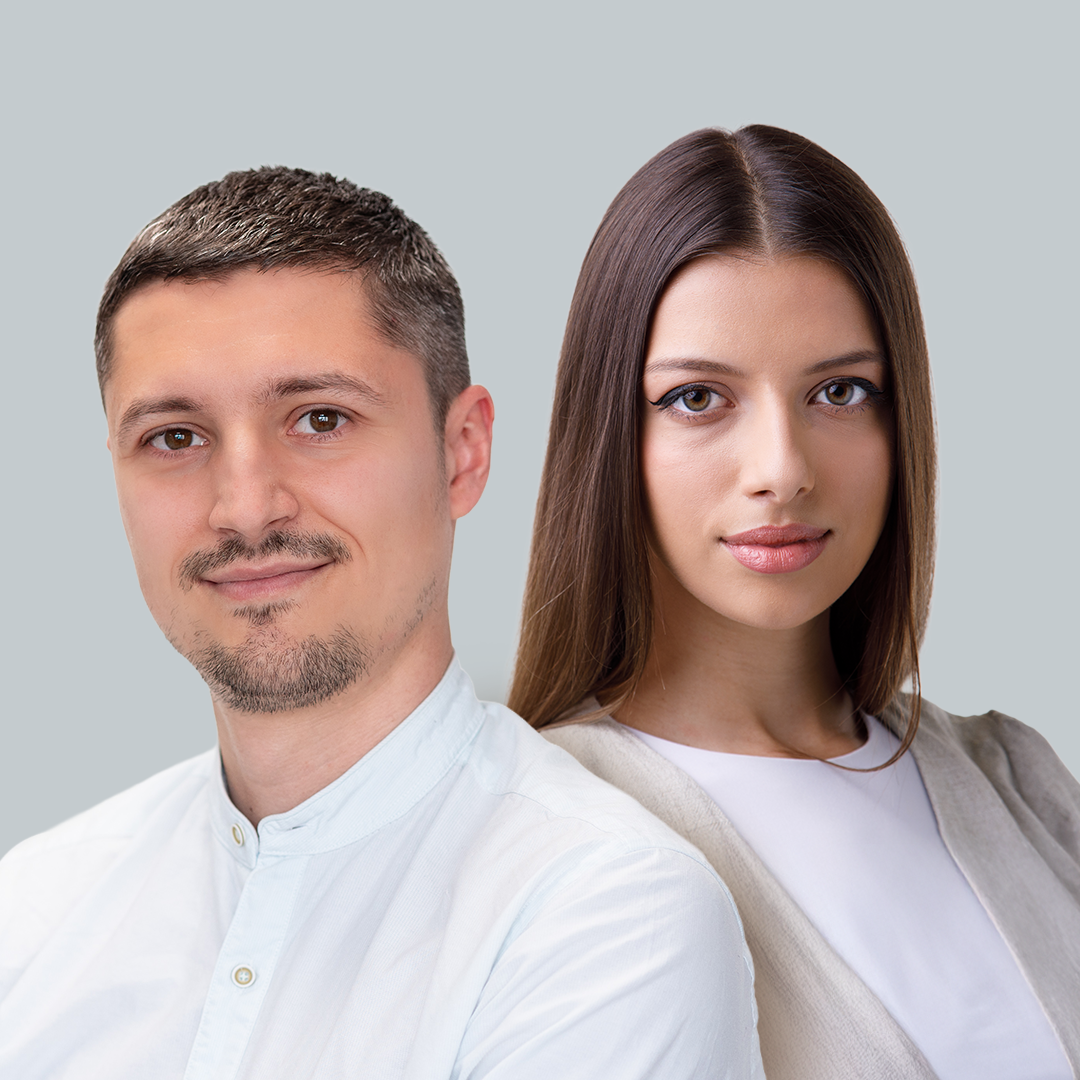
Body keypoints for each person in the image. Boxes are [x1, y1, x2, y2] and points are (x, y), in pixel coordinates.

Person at [0, 167, 764, 1079]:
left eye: (319, 419)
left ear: (462, 453)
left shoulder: (608, 915)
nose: (244, 509)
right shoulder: (32, 908)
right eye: (174, 437)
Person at [509, 126, 1080, 1080]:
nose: (781, 469)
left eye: (841, 391)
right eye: (698, 398)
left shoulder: (1014, 782)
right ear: (610, 434)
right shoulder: (536, 829)